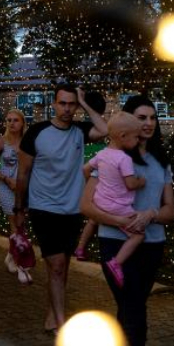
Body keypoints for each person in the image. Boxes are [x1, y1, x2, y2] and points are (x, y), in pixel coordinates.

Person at [80, 95, 174, 346]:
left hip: (151, 246)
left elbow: (169, 210)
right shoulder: (112, 157)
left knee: (128, 313)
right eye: (141, 117)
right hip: (114, 247)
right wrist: (121, 221)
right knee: (136, 318)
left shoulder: (161, 163)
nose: (148, 123)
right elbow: (86, 206)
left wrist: (149, 214)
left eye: (152, 117)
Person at [16, 85, 108, 333]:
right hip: (43, 207)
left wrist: (84, 101)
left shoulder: (80, 131)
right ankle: (60, 322)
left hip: (72, 209)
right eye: (63, 103)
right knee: (56, 266)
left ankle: (51, 316)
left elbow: (105, 129)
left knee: (62, 266)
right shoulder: (37, 132)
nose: (67, 109)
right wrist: (19, 208)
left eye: (71, 104)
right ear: (54, 104)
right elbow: (22, 173)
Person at [82, 112, 146, 287]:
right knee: (138, 235)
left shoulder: (102, 154)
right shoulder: (124, 158)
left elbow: (85, 169)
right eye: (135, 137)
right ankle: (116, 262)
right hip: (118, 206)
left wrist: (95, 182)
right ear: (123, 136)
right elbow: (130, 183)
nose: (138, 141)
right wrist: (141, 182)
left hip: (100, 201)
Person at [0, 108, 31, 282]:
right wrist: (5, 179)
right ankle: (22, 264)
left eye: (15, 120)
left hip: (23, 187)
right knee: (15, 222)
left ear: (22, 123)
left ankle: (11, 254)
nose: (12, 123)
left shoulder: (27, 142)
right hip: (6, 186)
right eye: (9, 120)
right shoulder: (1, 141)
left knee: (23, 223)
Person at [74, 90, 109, 261]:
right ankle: (80, 247)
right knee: (93, 217)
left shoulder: (88, 129)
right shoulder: (79, 129)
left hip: (95, 179)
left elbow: (104, 129)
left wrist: (83, 103)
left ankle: (80, 247)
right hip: (87, 180)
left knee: (94, 218)